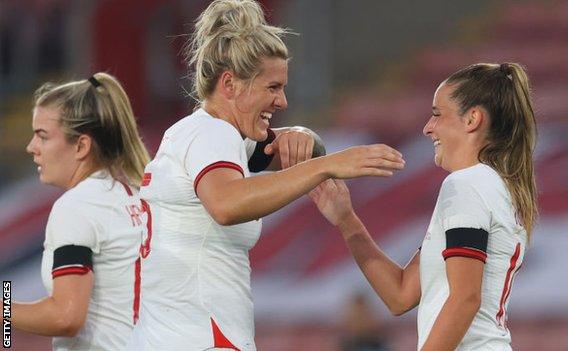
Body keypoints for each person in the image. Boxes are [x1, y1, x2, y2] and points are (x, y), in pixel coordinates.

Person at [127, 1, 405, 350]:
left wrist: (305, 137)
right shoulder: (213, 136)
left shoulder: (204, 134)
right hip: (201, 338)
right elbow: (226, 204)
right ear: (229, 84)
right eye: (273, 88)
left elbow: (295, 150)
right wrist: (327, 164)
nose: (283, 101)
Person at [310, 62, 538, 351]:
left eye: (437, 115)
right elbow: (401, 295)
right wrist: (346, 220)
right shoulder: (490, 185)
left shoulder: (467, 183)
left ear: (472, 120)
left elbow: (465, 298)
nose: (428, 128)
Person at [12, 73, 151, 350]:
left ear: (81, 146)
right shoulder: (136, 197)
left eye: (42, 136)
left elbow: (67, 317)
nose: (32, 147)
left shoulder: (76, 208)